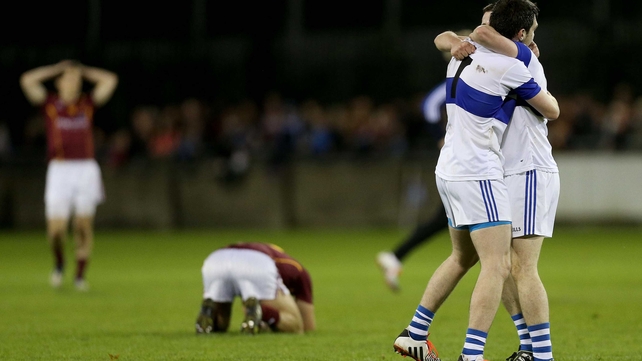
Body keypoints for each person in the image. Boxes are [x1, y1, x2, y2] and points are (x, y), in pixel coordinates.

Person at [391, 1, 559, 361]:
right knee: (501, 266)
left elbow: (449, 38)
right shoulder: (510, 64)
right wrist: (518, 54)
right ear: (521, 34)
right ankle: (481, 355)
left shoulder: (460, 58)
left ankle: (416, 333)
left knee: (467, 258)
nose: (477, 31)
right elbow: (553, 110)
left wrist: (454, 40)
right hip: (483, 170)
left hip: (458, 168)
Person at [19, 60, 118, 291]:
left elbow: (110, 80)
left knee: (83, 226)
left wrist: (83, 69)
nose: (74, 82)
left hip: (85, 168)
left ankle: (80, 276)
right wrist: (56, 68)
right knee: (56, 231)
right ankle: (60, 262)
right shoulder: (51, 104)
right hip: (60, 169)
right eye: (69, 78)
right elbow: (27, 80)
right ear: (59, 82)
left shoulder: (87, 104)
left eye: (77, 79)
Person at [195, 242, 315, 334]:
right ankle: (260, 311)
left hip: (216, 260)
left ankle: (210, 311)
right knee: (295, 324)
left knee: (222, 325)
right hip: (256, 263)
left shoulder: (262, 249)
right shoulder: (296, 268)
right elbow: (308, 326)